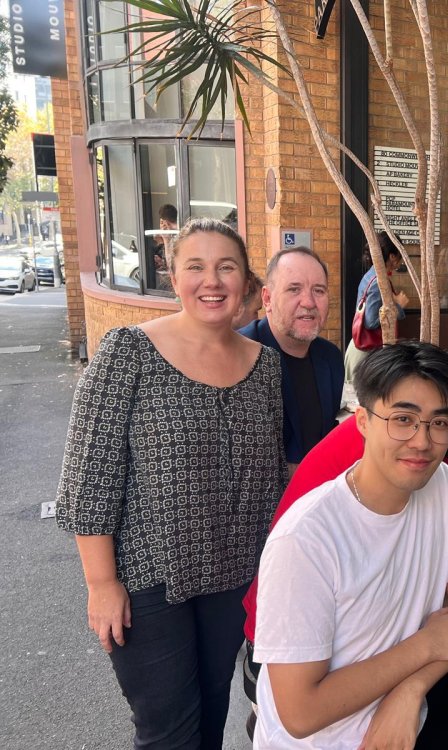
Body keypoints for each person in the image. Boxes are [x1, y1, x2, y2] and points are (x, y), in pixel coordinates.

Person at [56, 218, 286, 748]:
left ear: (245, 281)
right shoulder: (128, 353)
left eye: (226, 267)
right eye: (196, 267)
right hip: (148, 579)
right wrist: (101, 585)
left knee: (212, 714)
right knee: (168, 732)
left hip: (233, 576)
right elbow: (89, 481)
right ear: (174, 277)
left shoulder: (266, 367)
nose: (213, 281)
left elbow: (269, 475)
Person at [253, 343, 448, 747]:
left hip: (406, 718)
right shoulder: (305, 540)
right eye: (403, 419)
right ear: (362, 421)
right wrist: (428, 643)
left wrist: (410, 690)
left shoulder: (438, 485)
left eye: (438, 423)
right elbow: (300, 713)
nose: (421, 442)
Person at [240, 246, 344, 473]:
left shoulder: (331, 358)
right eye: (294, 289)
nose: (309, 302)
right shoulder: (239, 354)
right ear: (267, 298)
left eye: (319, 290)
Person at [344, 232, 409, 382]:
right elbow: (371, 321)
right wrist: (398, 306)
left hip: (363, 349)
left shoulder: (373, 276)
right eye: (400, 255)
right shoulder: (378, 281)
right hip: (365, 353)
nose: (401, 261)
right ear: (392, 256)